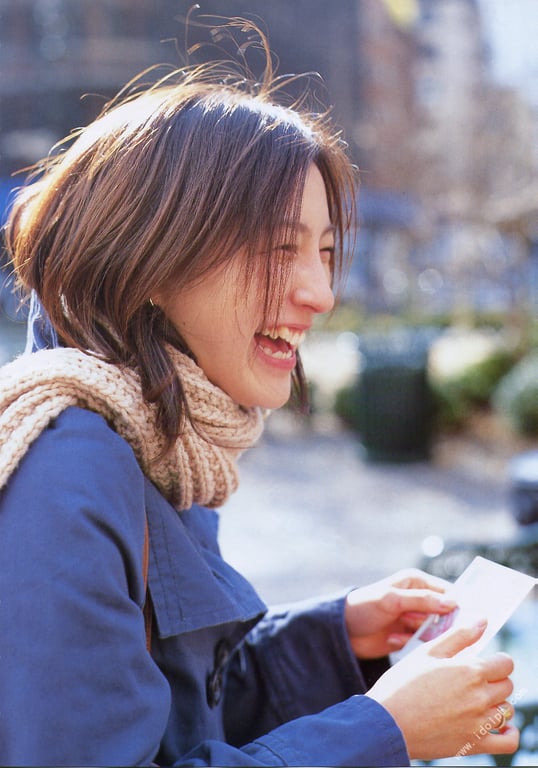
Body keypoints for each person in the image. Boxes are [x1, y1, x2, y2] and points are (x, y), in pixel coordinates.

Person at [0, 25, 519, 767]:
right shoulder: (69, 469)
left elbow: (180, 716)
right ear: (149, 255)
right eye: (278, 249)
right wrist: (383, 731)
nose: (321, 292)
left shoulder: (159, 430)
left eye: (327, 252)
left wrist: (335, 638)